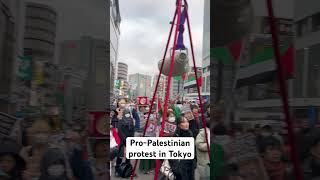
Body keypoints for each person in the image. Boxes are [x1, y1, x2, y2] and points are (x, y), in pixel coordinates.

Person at [115, 108, 135, 176]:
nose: (127, 115)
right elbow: (120, 132)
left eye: (128, 113)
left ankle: (127, 170)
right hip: (123, 141)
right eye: (126, 113)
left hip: (128, 141)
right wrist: (125, 140)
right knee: (120, 156)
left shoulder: (131, 121)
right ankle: (117, 170)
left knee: (128, 156)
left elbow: (132, 131)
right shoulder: (121, 121)